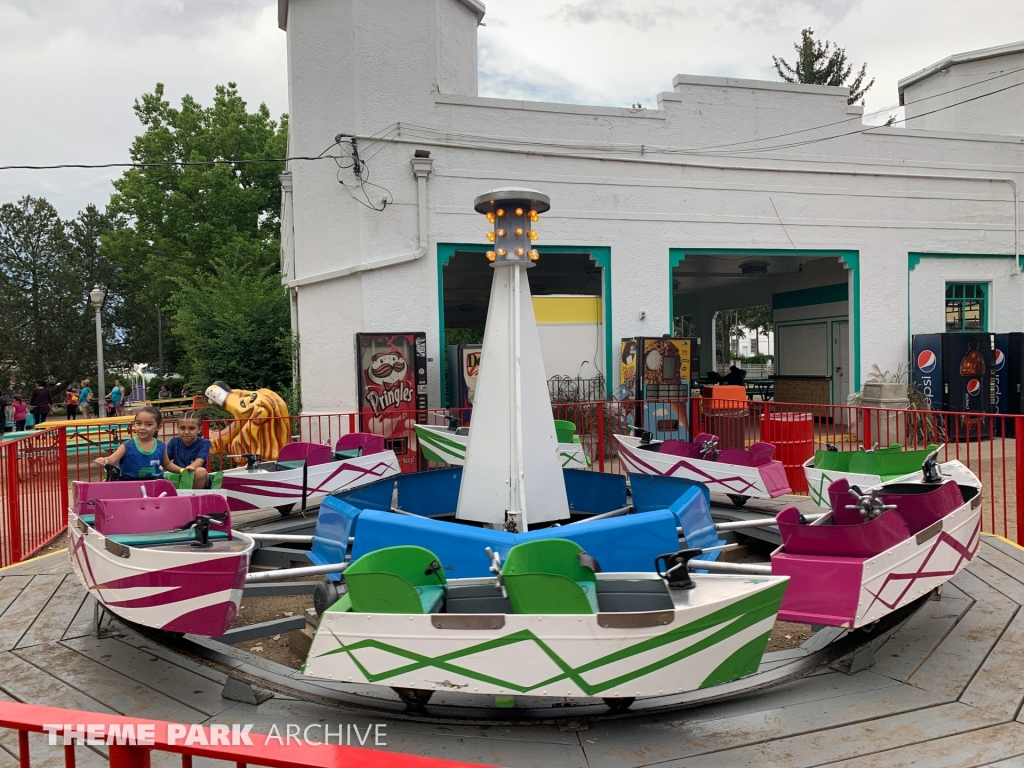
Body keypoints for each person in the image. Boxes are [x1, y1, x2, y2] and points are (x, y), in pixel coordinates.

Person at [95, 405, 181, 480]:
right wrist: (104, 460)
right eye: (139, 423)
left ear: (158, 427)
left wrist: (182, 470)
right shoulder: (127, 446)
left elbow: (167, 464)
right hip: (129, 486)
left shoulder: (161, 446)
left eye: (148, 424)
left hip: (154, 486)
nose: (142, 427)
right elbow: (111, 459)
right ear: (134, 424)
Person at [166, 411, 212, 489]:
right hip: (178, 474)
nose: (186, 432)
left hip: (196, 477)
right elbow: (165, 461)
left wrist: (189, 468)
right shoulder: (174, 442)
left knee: (200, 471)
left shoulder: (204, 443)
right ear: (177, 428)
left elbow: (200, 461)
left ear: (199, 429)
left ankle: (195, 497)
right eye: (182, 428)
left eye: (191, 428)